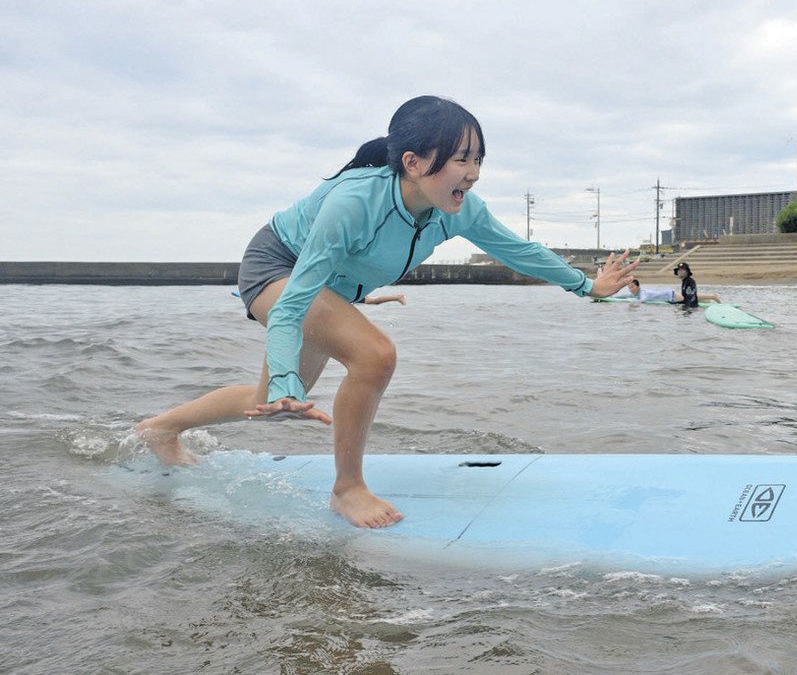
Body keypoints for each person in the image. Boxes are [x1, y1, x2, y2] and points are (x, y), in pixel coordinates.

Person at [134, 96, 638, 528]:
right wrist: (290, 368)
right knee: (374, 354)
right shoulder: (354, 204)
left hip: (320, 282)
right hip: (277, 266)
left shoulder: (461, 209)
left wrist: (586, 286)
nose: (474, 172)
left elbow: (518, 250)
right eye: (461, 158)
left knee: (269, 395)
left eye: (479, 158)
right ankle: (347, 489)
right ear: (415, 163)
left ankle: (161, 428)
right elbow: (292, 303)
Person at [626, 278, 721, 303]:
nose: (630, 289)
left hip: (669, 295)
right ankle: (707, 298)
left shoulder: (643, 293)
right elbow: (626, 296)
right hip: (669, 294)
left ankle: (713, 296)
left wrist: (634, 304)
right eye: (629, 288)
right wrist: (611, 297)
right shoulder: (636, 294)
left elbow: (643, 299)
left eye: (632, 287)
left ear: (638, 287)